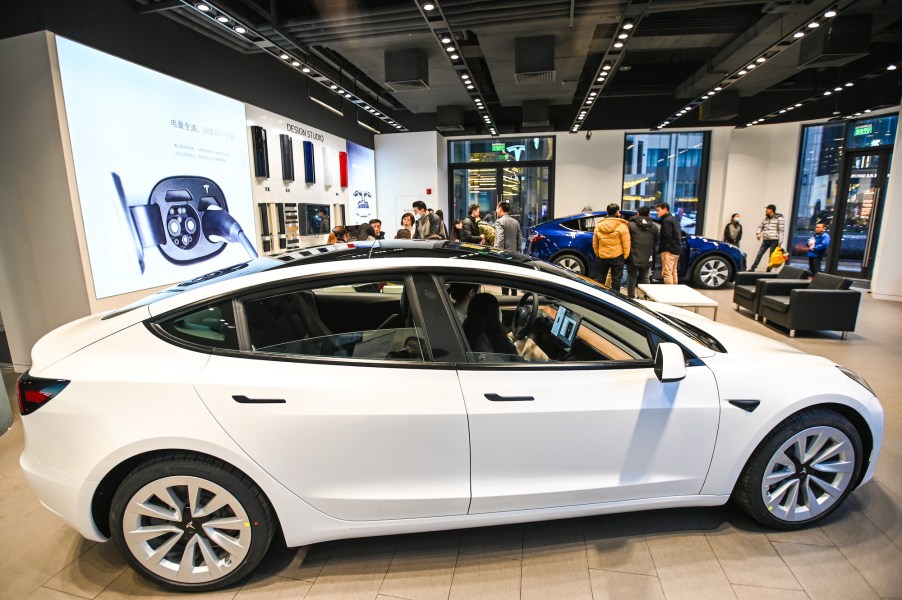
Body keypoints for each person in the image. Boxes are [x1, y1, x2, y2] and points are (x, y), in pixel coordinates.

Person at [592, 203, 631, 293]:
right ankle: (615, 298)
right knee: (616, 280)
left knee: (601, 279)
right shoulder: (622, 225)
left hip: (603, 256)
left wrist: (598, 253)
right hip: (617, 256)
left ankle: (599, 297)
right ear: (617, 212)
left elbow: (595, 243)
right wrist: (625, 256)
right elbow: (626, 243)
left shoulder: (599, 225)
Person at [626, 206, 659, 298]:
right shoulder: (654, 227)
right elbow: (656, 241)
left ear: (638, 214)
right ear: (648, 214)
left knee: (632, 277)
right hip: (647, 256)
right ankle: (645, 296)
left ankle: (631, 296)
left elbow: (626, 239)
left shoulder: (631, 225)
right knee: (645, 277)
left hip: (633, 255)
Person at [493, 201, 522, 295]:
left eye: (497, 208)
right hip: (515, 255)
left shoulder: (499, 221)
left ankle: (505, 300)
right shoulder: (515, 222)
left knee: (504, 279)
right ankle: (514, 299)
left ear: (500, 209)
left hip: (504, 255)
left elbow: (500, 238)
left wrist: (498, 252)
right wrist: (518, 251)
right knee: (514, 279)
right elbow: (519, 238)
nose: (496, 210)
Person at [749, 204, 786, 271]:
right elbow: (760, 226)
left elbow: (781, 230)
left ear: (771, 210)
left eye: (767, 209)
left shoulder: (779, 218)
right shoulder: (766, 218)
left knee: (771, 256)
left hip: (774, 240)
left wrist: (780, 241)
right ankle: (752, 268)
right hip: (766, 239)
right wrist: (758, 233)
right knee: (759, 254)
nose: (766, 210)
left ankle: (769, 269)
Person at [656, 202, 683, 285]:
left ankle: (669, 294)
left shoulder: (666, 220)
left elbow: (667, 236)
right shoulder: (674, 219)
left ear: (665, 209)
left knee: (667, 273)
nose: (657, 212)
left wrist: (665, 248)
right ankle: (674, 292)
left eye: (659, 210)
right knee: (673, 272)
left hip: (669, 250)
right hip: (676, 249)